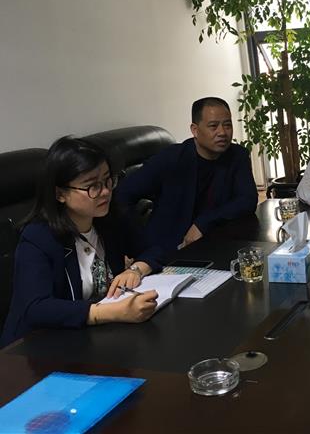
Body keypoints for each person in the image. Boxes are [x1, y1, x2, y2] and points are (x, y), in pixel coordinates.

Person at [1, 137, 164, 348]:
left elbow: (155, 248)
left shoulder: (109, 217)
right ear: (60, 194)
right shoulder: (38, 238)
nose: (105, 192)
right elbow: (36, 308)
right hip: (35, 349)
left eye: (108, 180)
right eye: (92, 186)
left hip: (93, 338)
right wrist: (111, 312)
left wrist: (136, 269)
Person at [116, 97, 258, 250]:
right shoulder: (171, 158)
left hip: (214, 241)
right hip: (167, 249)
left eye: (227, 125)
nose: (222, 132)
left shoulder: (238, 156)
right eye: (213, 126)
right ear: (195, 130)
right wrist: (135, 243)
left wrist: (203, 223)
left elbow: (248, 199)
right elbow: (123, 194)